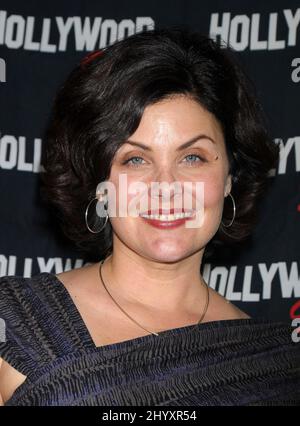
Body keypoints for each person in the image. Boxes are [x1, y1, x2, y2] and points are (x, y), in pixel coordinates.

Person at [0, 27, 299, 406]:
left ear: (229, 177)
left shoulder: (278, 370)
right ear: (99, 183)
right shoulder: (15, 324)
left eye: (193, 158)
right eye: (135, 159)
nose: (166, 187)